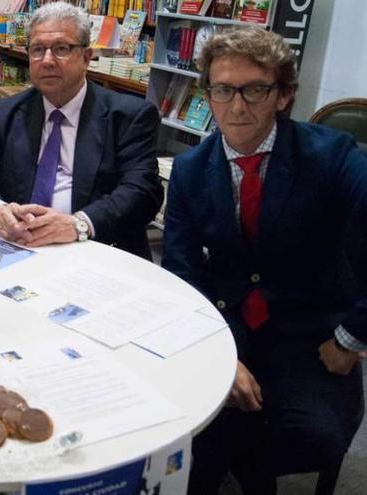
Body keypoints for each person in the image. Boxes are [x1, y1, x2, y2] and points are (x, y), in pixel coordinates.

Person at [161, 26, 367, 494]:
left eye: (254, 89)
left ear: (284, 95)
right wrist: (221, 357)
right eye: (222, 90)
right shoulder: (191, 171)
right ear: (207, 94)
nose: (236, 106)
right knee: (188, 430)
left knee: (310, 436)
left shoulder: (331, 156)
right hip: (227, 327)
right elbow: (182, 271)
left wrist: (352, 335)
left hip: (312, 336)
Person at [0, 2, 162, 259]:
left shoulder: (129, 116)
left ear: (87, 57)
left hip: (96, 250)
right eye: (37, 50)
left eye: (61, 49)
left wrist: (78, 224)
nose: (47, 60)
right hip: (20, 246)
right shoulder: (5, 113)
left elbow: (142, 192)